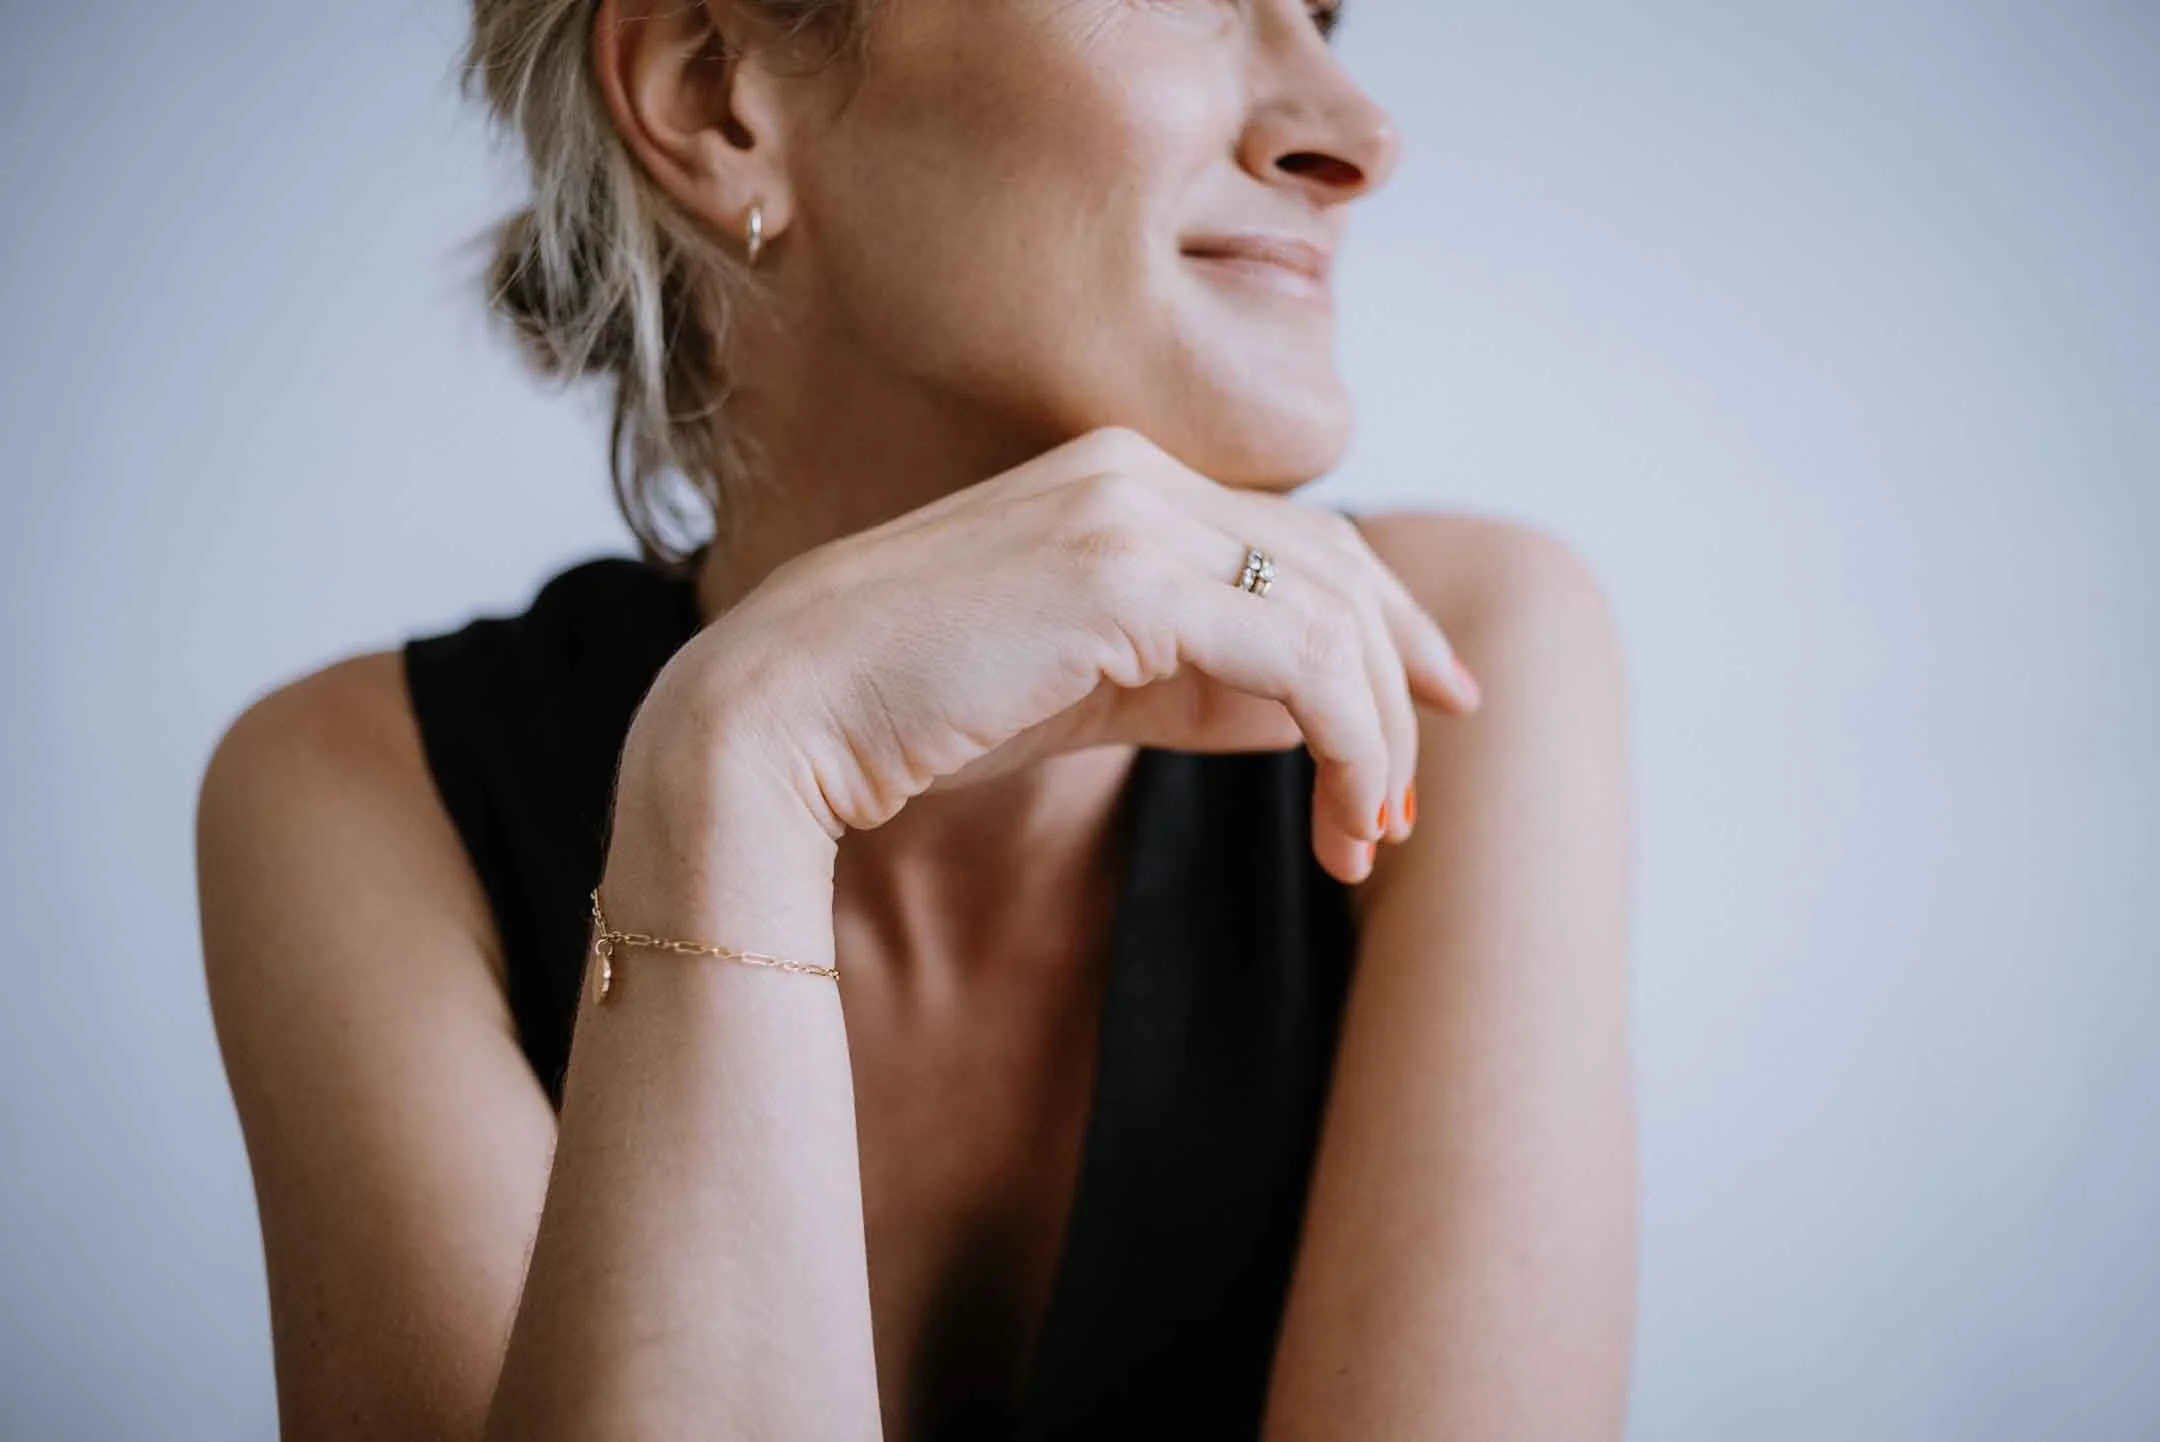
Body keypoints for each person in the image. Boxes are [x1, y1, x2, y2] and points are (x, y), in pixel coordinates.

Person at [194, 2, 1638, 1438]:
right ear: (713, 88)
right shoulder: (357, 788)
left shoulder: (1458, 653)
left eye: (1322, 14)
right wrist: (745, 770)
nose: (1358, 137)